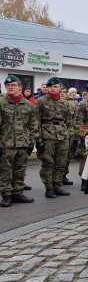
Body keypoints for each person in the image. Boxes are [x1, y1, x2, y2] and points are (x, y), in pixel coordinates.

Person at [0, 75, 38, 207]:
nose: (10, 87)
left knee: (20, 170)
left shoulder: (28, 105)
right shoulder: (1, 102)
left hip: (23, 143)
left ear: (20, 87)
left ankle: (17, 193)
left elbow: (33, 125)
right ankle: (6, 195)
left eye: (13, 85)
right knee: (5, 170)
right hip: (6, 144)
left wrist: (32, 142)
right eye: (8, 85)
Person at [35, 77, 73, 199]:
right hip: (47, 136)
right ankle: (49, 188)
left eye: (55, 87)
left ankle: (57, 186)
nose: (53, 89)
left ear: (59, 88)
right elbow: (36, 121)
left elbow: (69, 121)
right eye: (50, 86)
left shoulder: (65, 103)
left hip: (62, 136)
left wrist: (70, 135)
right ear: (47, 88)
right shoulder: (41, 101)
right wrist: (38, 139)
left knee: (61, 163)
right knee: (48, 163)